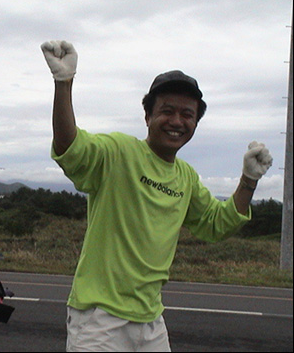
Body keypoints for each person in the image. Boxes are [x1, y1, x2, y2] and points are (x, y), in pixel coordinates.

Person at [40, 40, 273, 352]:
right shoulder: (119, 153)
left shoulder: (185, 177)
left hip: (151, 321)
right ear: (147, 115)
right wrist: (64, 83)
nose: (177, 122)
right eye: (167, 111)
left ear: (195, 123)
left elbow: (217, 224)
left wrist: (248, 181)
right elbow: (71, 147)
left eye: (187, 115)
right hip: (100, 319)